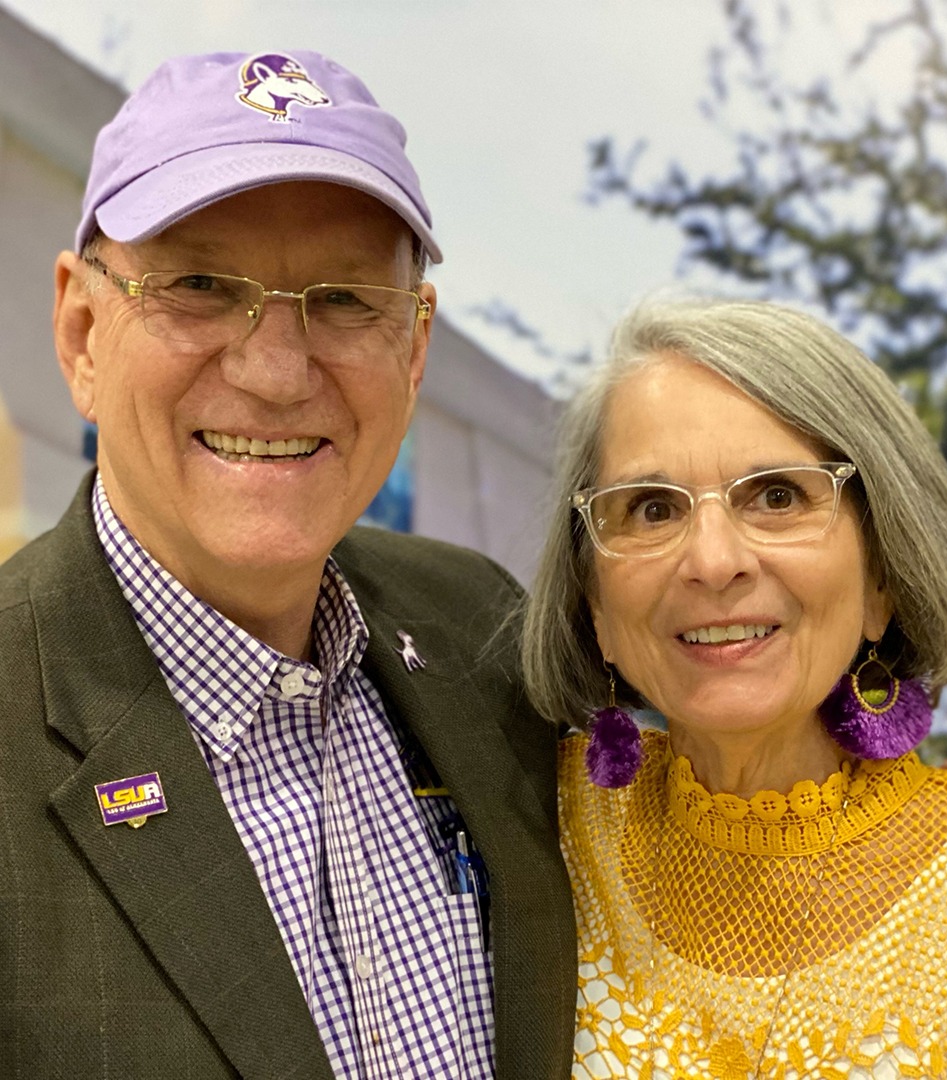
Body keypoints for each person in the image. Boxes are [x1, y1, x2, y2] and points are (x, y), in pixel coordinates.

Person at [0, 51, 573, 1077]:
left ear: (415, 349)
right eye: (201, 286)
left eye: (347, 300)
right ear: (83, 332)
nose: (274, 371)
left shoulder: (483, 634)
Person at [522, 298, 947, 1079]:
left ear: (881, 577)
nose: (714, 560)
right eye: (651, 509)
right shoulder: (531, 835)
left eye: (778, 496)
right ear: (596, 607)